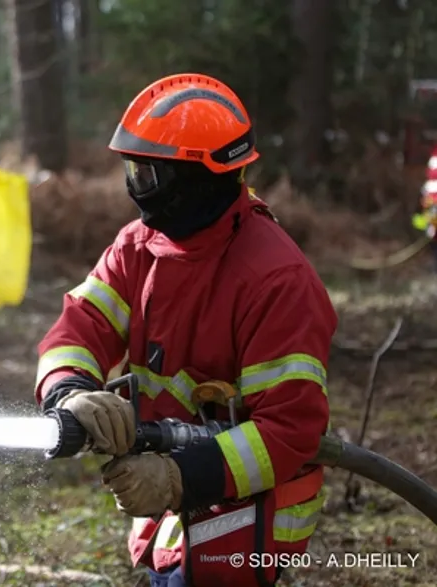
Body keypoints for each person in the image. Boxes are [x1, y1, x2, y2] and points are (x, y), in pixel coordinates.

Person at [33, 73, 337, 587]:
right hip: (176, 510)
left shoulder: (276, 280)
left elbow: (291, 430)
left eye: (148, 174)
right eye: (133, 170)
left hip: (249, 513)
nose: (137, 190)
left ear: (200, 179)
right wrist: (70, 393)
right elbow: (77, 329)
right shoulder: (138, 249)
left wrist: (180, 476)